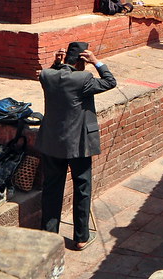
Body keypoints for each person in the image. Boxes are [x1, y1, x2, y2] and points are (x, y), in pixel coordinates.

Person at [36, 41, 117, 251]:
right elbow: (110, 82)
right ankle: (81, 236)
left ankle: (48, 236)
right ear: (82, 61)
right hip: (79, 144)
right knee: (82, 187)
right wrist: (97, 62)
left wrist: (56, 64)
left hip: (52, 142)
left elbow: (54, 76)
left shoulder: (47, 75)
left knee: (52, 189)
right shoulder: (83, 79)